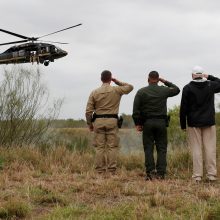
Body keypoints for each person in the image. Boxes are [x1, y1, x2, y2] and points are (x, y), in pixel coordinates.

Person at [132, 71, 180, 180]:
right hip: (161, 123)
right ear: (158, 79)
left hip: (147, 123)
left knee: (148, 148)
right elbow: (177, 89)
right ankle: (161, 174)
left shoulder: (141, 92)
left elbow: (135, 110)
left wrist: (138, 123)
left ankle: (150, 173)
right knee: (162, 149)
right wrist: (165, 81)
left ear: (148, 79)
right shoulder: (164, 90)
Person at [85, 70, 133, 174]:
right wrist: (117, 81)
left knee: (99, 147)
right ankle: (111, 170)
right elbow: (130, 87)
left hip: (98, 121)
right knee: (112, 147)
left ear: (101, 79)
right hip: (112, 121)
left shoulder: (94, 92)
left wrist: (90, 124)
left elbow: (88, 111)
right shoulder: (116, 90)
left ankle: (100, 171)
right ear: (110, 79)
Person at [180, 66, 220, 182]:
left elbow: (183, 108)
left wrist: (183, 124)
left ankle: (197, 176)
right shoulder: (210, 85)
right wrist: (210, 77)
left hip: (193, 123)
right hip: (209, 122)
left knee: (196, 149)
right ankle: (211, 175)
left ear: (192, 75)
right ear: (202, 75)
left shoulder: (187, 88)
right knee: (210, 149)